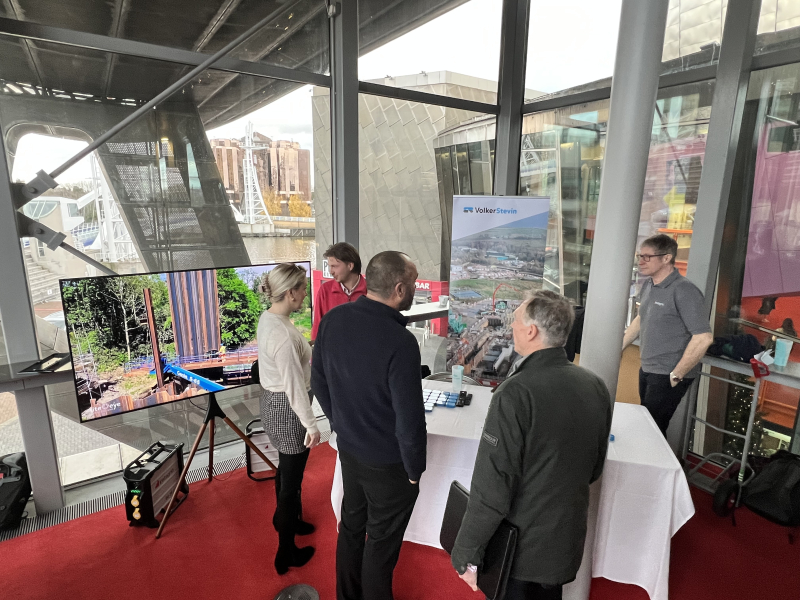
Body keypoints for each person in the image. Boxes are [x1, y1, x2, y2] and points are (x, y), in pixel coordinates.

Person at [452, 290, 612, 600]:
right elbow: (594, 469)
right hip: (564, 543)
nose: (511, 326)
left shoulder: (515, 393)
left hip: (519, 552)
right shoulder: (595, 386)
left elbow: (492, 489)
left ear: (531, 330)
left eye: (515, 321)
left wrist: (466, 551)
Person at [311, 251, 426, 600]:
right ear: (399, 288)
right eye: (414, 283)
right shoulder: (401, 342)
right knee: (380, 542)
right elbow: (409, 417)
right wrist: (414, 469)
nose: (416, 289)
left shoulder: (333, 320)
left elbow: (318, 383)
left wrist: (341, 426)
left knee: (351, 528)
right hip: (389, 463)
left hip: (350, 451)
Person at [257, 263, 321, 575]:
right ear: (290, 292)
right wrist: (311, 424)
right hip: (288, 410)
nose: (305, 293)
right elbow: (295, 386)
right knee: (290, 481)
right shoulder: (282, 334)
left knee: (286, 470)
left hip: (274, 403)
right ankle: (285, 552)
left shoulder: (271, 318)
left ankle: (289, 519)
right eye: (303, 288)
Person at [623, 234, 713, 436]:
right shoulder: (649, 284)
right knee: (648, 426)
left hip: (667, 373)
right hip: (648, 367)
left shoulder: (684, 290)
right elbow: (641, 318)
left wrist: (677, 374)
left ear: (666, 258)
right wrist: (619, 346)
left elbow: (704, 337)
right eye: (640, 256)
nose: (641, 261)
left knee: (651, 430)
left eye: (648, 257)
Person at [312, 242, 367, 340]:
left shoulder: (371, 291)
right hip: (332, 353)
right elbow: (317, 327)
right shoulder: (325, 290)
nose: (331, 271)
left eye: (334, 266)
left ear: (350, 266)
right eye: (330, 266)